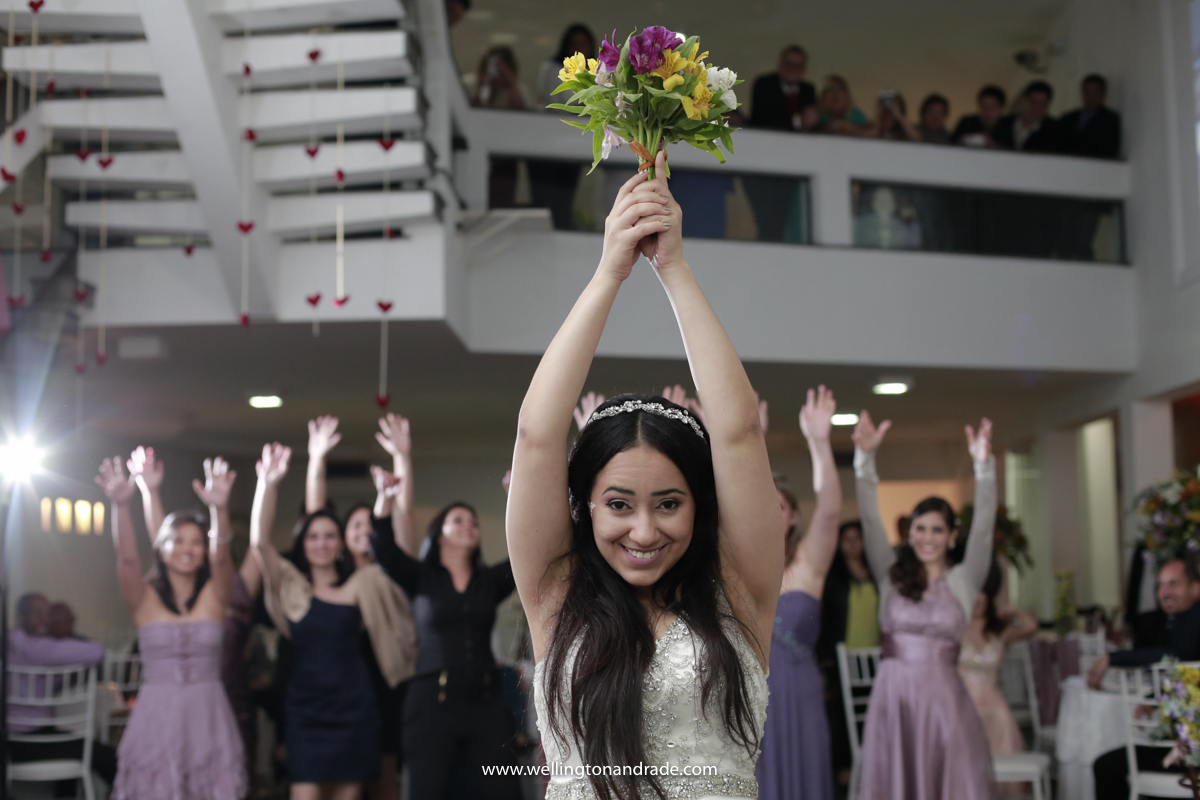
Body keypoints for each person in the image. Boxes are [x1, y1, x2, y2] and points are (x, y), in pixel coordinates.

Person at [507, 150, 782, 800]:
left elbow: (739, 432)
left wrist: (674, 268)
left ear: (699, 505)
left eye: (668, 503)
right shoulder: (557, 598)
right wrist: (609, 272)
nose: (643, 529)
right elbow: (537, 436)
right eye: (619, 504)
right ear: (588, 509)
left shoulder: (739, 597)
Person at [251, 442, 415, 800]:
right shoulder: (292, 589)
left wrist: (386, 500)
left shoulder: (361, 584)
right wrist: (268, 483)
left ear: (342, 544)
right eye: (312, 536)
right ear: (302, 543)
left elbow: (395, 549)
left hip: (355, 706)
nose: (321, 543)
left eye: (329, 536)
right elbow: (259, 542)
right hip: (305, 708)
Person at [854, 411, 998, 800]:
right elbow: (869, 520)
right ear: (909, 531)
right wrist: (864, 462)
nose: (927, 537)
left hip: (944, 700)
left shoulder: (964, 580)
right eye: (920, 528)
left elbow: (984, 527)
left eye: (937, 529)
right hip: (893, 696)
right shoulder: (890, 573)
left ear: (952, 536)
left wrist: (984, 468)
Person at [94, 455, 248, 800]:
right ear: (161, 549)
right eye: (177, 540)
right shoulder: (144, 599)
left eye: (196, 541)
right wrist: (121, 505)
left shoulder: (215, 596)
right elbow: (128, 559)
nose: (187, 549)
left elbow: (223, 560)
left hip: (208, 716)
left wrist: (219, 511)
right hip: (157, 717)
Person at [368, 477, 521, 796]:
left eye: (473, 522)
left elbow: (528, 553)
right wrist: (384, 498)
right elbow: (383, 548)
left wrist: (518, 499)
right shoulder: (421, 577)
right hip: (431, 703)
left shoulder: (488, 582)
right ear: (438, 534)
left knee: (506, 790)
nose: (469, 526)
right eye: (458, 520)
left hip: (486, 700)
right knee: (427, 790)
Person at [305, 414, 417, 800]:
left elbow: (403, 512)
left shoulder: (391, 570)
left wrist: (402, 457)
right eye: (353, 526)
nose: (363, 531)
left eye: (370, 525)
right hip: (343, 683)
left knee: (383, 779)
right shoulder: (334, 579)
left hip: (388, 681)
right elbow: (313, 518)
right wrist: (316, 458)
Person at [757, 387, 841, 800]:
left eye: (781, 506)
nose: (772, 511)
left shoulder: (808, 564)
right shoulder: (734, 567)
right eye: (763, 503)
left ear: (792, 518)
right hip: (749, 693)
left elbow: (829, 510)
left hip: (801, 691)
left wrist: (819, 442)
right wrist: (750, 441)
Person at [1090, 556, 1200, 800]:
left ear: (1195, 588)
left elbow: (1176, 657)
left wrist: (1113, 658)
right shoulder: (1182, 620)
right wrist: (1154, 696)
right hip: (1188, 743)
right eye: (1161, 585)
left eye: (1174, 584)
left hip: (1194, 750)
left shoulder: (1194, 618)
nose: (1165, 592)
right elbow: (1188, 671)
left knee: (1106, 766)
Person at [8, 593, 118, 795]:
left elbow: (41, 683)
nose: (44, 619)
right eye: (36, 613)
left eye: (47, 614)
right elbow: (97, 652)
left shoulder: (14, 643)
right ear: (20, 616)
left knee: (76, 747)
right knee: (107, 757)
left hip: (18, 740)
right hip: (27, 741)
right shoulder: (35, 648)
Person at [817, 521, 878, 791]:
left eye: (857, 538)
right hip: (841, 656)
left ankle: (873, 766)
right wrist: (825, 654)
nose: (853, 544)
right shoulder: (833, 576)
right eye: (847, 539)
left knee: (874, 713)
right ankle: (845, 770)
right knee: (842, 716)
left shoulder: (875, 572)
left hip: (876, 657)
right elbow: (825, 617)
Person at [959, 562, 1039, 756]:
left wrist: (1014, 611)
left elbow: (1031, 626)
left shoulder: (999, 632)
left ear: (988, 596)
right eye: (973, 593)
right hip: (962, 706)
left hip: (995, 707)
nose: (978, 599)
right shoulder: (956, 627)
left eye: (982, 593)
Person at [748, 45, 818, 133]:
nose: (793, 69)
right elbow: (761, 120)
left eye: (798, 65)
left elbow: (812, 122)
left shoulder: (808, 90)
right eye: (788, 64)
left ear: (804, 69)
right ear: (780, 65)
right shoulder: (765, 85)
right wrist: (799, 121)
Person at [1059, 74, 1121, 159]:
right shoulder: (1068, 118)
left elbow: (1109, 150)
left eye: (1096, 92)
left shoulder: (1110, 120)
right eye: (1088, 91)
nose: (1091, 96)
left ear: (1103, 94)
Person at [993, 81, 1061, 153]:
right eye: (1033, 101)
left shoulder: (1055, 131)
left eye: (1042, 104)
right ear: (1024, 100)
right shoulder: (1003, 124)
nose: (1036, 107)